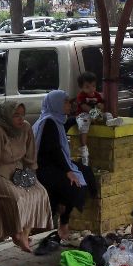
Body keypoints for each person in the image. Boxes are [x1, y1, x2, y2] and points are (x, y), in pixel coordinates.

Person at [0, 101, 52, 252]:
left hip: (17, 173)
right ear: (6, 115)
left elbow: (30, 157)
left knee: (40, 193)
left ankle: (24, 234)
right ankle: (16, 234)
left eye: (22, 115)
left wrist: (33, 180)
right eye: (16, 115)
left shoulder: (25, 128)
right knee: (19, 198)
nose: (20, 119)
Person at [34, 91, 95, 242]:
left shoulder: (57, 120)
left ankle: (63, 210)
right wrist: (68, 171)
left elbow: (67, 125)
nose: (69, 105)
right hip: (45, 168)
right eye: (66, 102)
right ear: (56, 104)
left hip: (55, 164)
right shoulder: (48, 122)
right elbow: (54, 150)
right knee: (74, 184)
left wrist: (79, 118)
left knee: (86, 172)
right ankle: (63, 220)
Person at [74, 72, 104, 165]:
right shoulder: (81, 96)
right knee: (83, 125)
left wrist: (100, 106)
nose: (91, 89)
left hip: (96, 114)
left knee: (107, 115)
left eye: (93, 86)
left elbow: (102, 104)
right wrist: (94, 114)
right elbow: (84, 107)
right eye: (87, 87)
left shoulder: (97, 95)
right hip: (83, 115)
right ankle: (84, 148)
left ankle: (111, 121)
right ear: (81, 87)